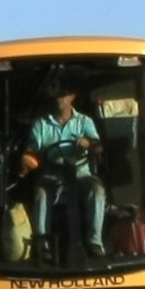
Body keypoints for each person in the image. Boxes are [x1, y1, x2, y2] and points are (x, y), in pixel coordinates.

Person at [19, 82, 108, 269]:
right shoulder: (41, 124)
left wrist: (88, 143)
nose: (58, 99)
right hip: (52, 174)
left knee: (97, 190)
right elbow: (33, 149)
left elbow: (99, 146)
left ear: (71, 97)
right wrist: (27, 160)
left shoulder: (84, 121)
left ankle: (94, 243)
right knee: (41, 194)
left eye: (62, 95)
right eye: (56, 96)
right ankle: (43, 245)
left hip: (81, 173)